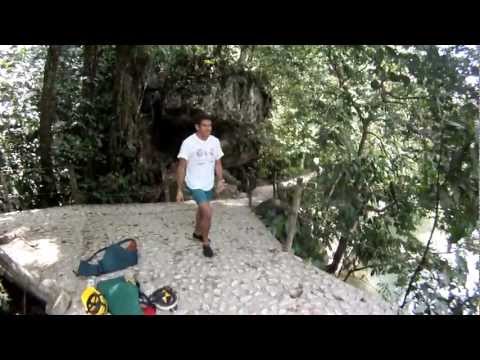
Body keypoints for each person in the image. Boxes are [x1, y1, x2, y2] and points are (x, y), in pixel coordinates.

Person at [176, 112, 225, 257]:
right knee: (208, 212)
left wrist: (220, 180)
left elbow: (218, 163)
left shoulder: (215, 142)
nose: (208, 128)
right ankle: (205, 243)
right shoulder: (188, 142)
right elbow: (181, 166)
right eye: (204, 125)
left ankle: (197, 233)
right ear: (197, 126)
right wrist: (179, 189)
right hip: (194, 183)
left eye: (210, 125)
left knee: (201, 210)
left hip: (208, 183)